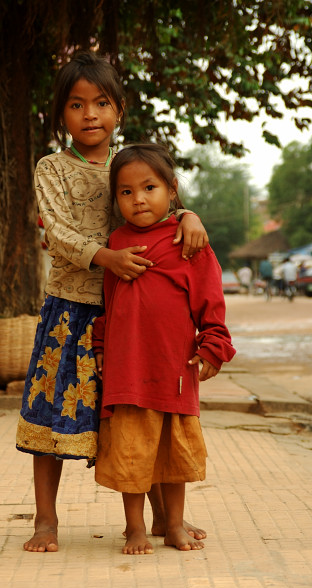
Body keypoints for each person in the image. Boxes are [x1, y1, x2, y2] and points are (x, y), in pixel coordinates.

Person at [15, 52, 208, 553]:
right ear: (61, 114)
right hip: (73, 309)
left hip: (135, 315)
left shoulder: (128, 164)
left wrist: (189, 215)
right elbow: (55, 232)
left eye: (101, 102)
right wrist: (108, 257)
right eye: (77, 105)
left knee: (146, 410)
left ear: (119, 109)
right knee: (51, 415)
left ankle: (165, 518)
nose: (91, 114)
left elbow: (160, 199)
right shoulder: (52, 168)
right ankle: (45, 521)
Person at [92, 144, 236, 555]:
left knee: (174, 454)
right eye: (125, 192)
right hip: (126, 367)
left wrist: (213, 345)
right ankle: (135, 528)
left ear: (171, 191)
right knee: (131, 451)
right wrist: (100, 345)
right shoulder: (116, 242)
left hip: (173, 366)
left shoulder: (188, 239)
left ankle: (173, 524)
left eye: (149, 187)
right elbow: (109, 302)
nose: (138, 198)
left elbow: (210, 299)